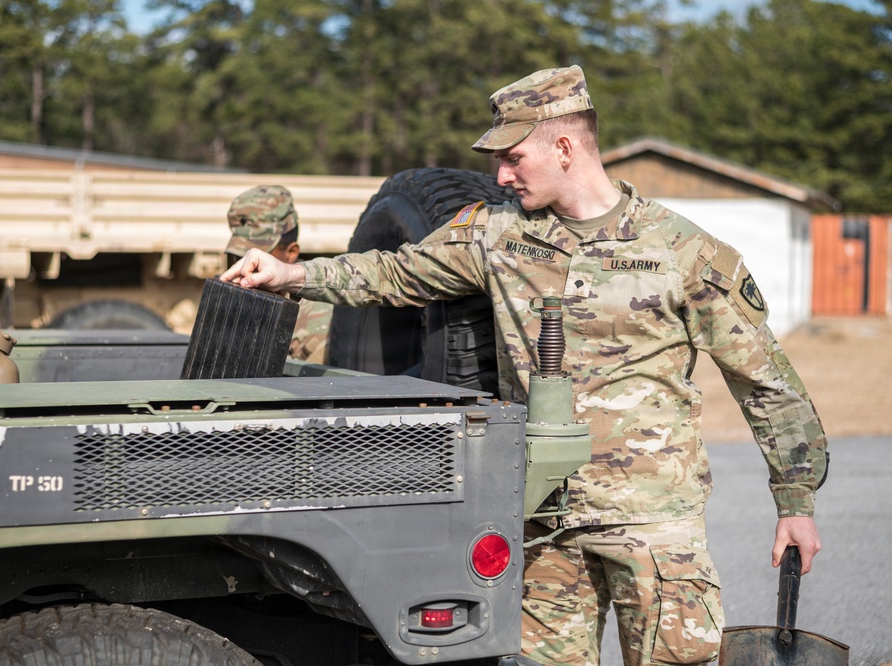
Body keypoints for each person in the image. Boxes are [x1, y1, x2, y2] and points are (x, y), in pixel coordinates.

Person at [221, 66, 828, 666]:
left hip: (651, 527)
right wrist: (293, 275)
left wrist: (795, 502)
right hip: (543, 524)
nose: (500, 175)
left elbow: (768, 385)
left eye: (513, 158)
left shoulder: (685, 252)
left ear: (565, 147)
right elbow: (395, 273)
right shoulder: (496, 235)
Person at [224, 185, 333, 364]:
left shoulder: (316, 318)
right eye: (238, 256)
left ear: (291, 253)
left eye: (259, 259)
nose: (244, 267)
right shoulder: (236, 298)